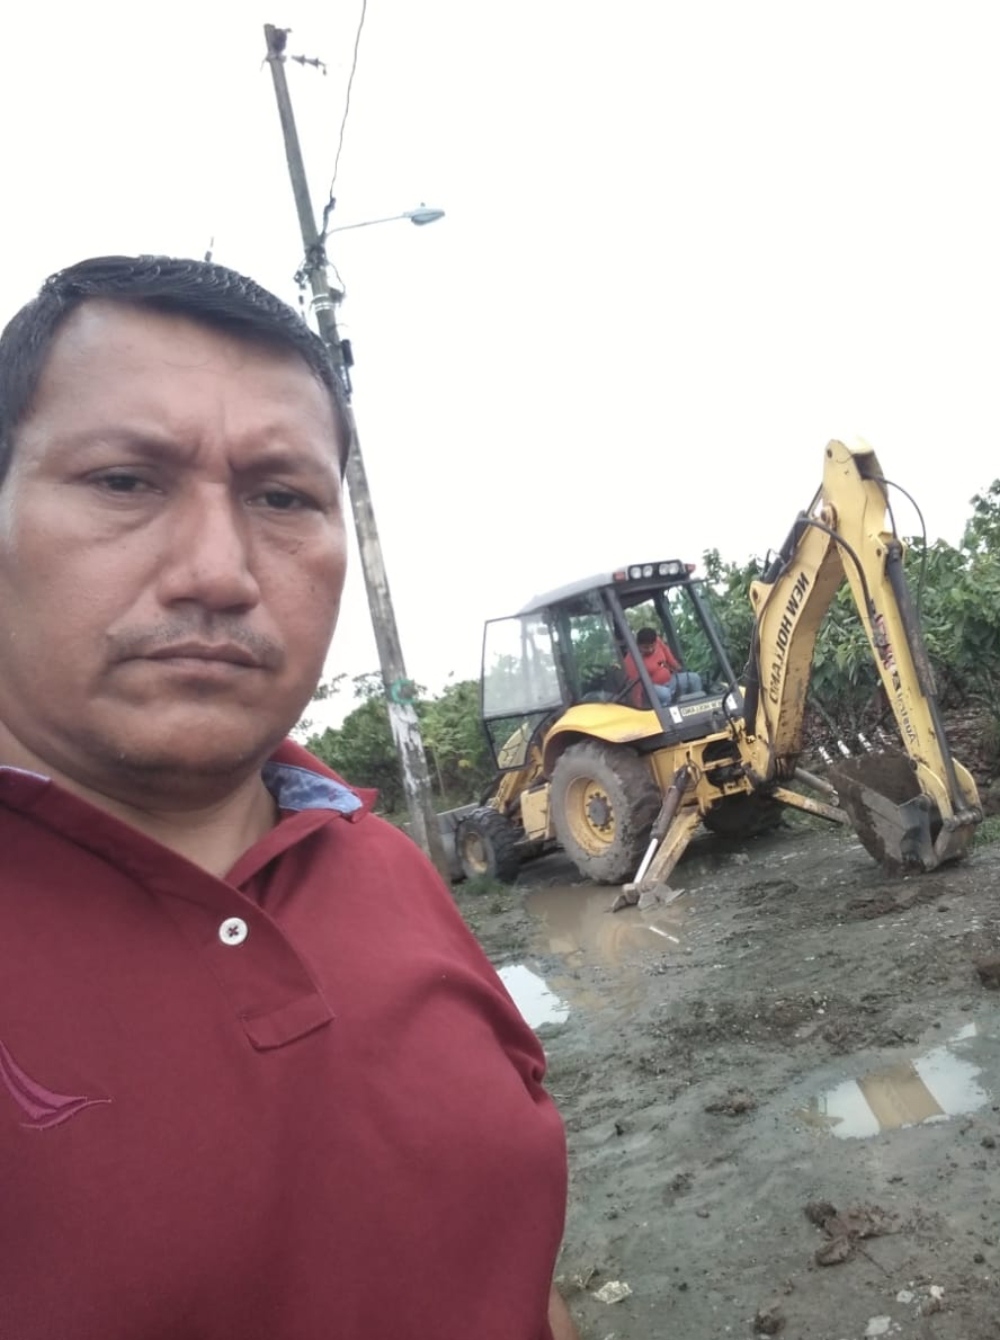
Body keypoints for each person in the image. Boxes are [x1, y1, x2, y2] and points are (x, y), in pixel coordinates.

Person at [0, 256, 579, 1340]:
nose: (218, 572)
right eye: (125, 480)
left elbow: (512, 1249)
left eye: (282, 497)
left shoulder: (384, 861)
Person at [624, 626, 704, 706]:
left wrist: (678, 667)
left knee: (694, 678)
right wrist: (638, 706)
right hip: (651, 689)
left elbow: (668, 655)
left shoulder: (658, 641)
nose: (650, 649)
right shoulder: (632, 659)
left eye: (652, 646)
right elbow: (636, 688)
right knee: (665, 694)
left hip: (669, 681)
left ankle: (699, 705)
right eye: (646, 647)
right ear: (638, 645)